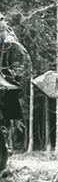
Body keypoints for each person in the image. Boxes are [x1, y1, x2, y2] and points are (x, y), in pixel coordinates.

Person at [0, 13, 30, 171]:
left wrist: (14, 77)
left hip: (7, 91)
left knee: (3, 131)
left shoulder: (11, 43)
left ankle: (3, 166)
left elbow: (21, 67)